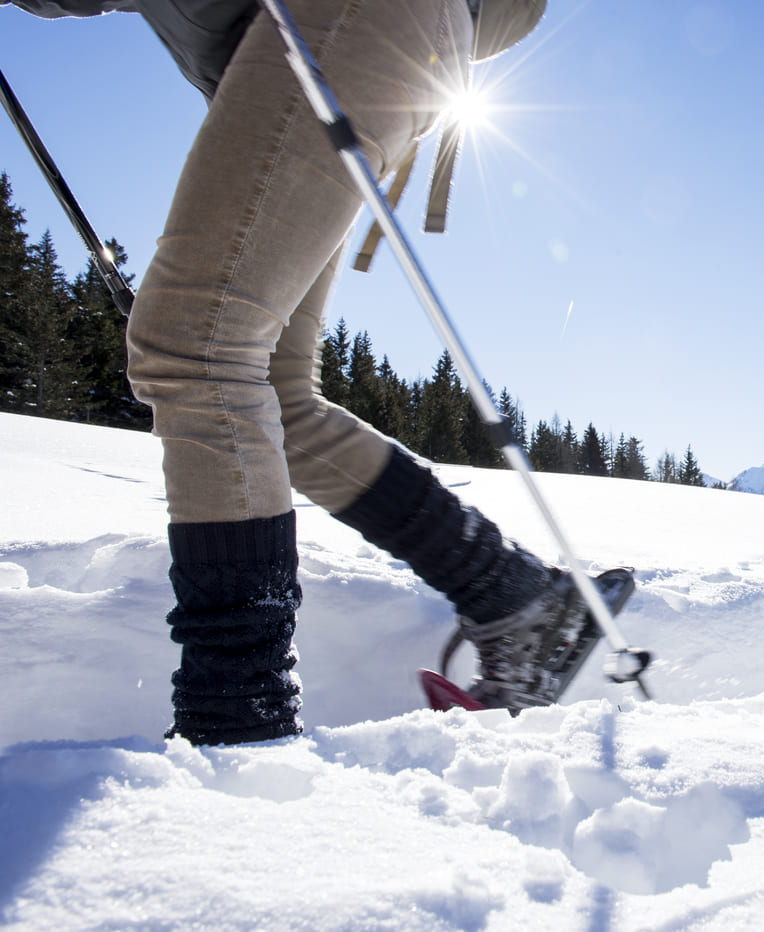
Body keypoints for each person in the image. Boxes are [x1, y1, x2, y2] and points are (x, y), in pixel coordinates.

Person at [6, 0, 632, 745]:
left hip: (339, 22)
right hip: (336, 42)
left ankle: (237, 716)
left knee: (197, 348)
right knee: (268, 389)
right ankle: (512, 593)